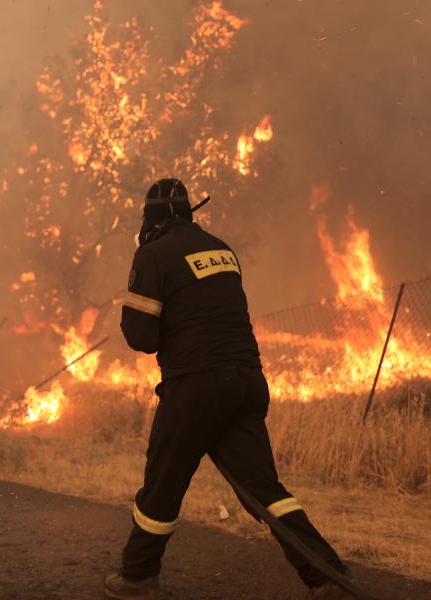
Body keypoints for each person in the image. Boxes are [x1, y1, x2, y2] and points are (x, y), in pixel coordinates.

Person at [104, 178, 355, 600]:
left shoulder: (152, 254)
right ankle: (328, 576)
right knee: (265, 491)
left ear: (152, 218)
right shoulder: (221, 250)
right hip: (246, 383)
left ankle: (138, 577)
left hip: (195, 389)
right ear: (189, 212)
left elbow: (141, 336)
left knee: (162, 486)